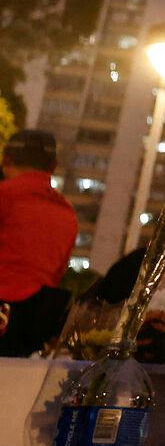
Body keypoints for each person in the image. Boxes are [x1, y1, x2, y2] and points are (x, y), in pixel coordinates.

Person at [0, 129, 77, 358]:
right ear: (53, 167)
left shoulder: (4, 195)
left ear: (6, 159)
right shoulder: (67, 214)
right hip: (32, 330)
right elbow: (57, 273)